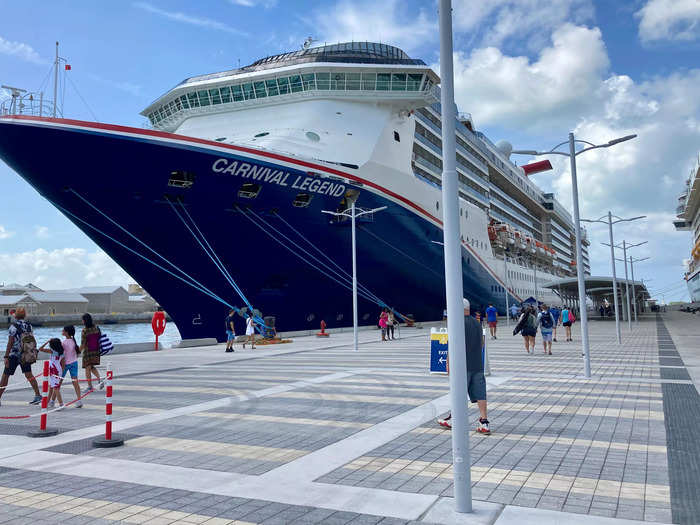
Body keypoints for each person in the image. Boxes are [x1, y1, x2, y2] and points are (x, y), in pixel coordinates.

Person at [437, 298, 490, 435]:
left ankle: (454, 419)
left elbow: (453, 345)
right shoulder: (477, 323)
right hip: (477, 364)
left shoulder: (456, 323)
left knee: (458, 393)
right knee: (480, 393)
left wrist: (448, 362)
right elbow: (482, 343)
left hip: (462, 365)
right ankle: (484, 422)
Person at [0, 308, 41, 406]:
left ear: (16, 316)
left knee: (5, 376)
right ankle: (38, 395)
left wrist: (6, 356)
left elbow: (10, 342)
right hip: (25, 354)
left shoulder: (13, 327)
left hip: (14, 355)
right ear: (24, 315)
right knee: (29, 374)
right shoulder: (29, 326)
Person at [59, 325, 82, 408]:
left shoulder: (64, 342)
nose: (62, 331)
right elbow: (78, 352)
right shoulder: (74, 341)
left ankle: (53, 400)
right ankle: (79, 400)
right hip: (74, 363)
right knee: (75, 382)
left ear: (66, 332)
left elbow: (61, 354)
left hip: (65, 364)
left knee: (58, 382)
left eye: (63, 330)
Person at [39, 338, 64, 410]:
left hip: (54, 370)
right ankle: (47, 402)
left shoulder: (52, 351)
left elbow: (40, 348)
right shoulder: (61, 351)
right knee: (52, 387)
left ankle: (61, 404)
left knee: (55, 388)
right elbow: (63, 363)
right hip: (58, 369)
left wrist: (47, 341)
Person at [80, 313, 102, 392]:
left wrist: (78, 351)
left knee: (87, 368)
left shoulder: (85, 330)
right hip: (96, 350)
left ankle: (90, 386)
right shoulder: (96, 328)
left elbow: (83, 344)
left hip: (88, 352)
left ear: (84, 321)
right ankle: (100, 380)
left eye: (82, 320)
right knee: (91, 367)